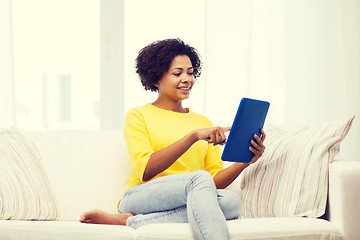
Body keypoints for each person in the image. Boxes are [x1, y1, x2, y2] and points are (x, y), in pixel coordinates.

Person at [80, 38, 266, 240]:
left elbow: (213, 183)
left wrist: (244, 162)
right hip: (141, 196)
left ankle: (128, 221)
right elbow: (146, 169)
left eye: (190, 72)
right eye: (177, 73)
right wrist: (193, 137)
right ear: (155, 79)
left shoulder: (202, 121)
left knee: (231, 202)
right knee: (199, 179)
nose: (187, 79)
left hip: (190, 195)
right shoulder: (138, 115)